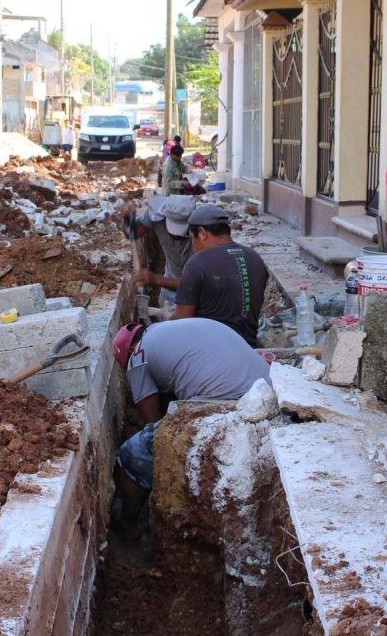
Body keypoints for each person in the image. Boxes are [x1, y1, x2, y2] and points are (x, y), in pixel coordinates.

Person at [111, 318, 270, 539]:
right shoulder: (170, 329)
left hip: (229, 406)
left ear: (129, 350)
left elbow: (151, 421)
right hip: (267, 391)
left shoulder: (136, 357)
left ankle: (128, 524)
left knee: (135, 451)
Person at [169, 204, 268, 347]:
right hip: (248, 349)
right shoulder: (255, 258)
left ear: (202, 233)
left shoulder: (197, 264)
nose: (193, 245)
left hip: (209, 352)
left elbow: (181, 323)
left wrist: (166, 317)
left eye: (192, 238)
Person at [122, 196, 195, 308]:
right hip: (170, 280)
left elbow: (195, 284)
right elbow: (132, 233)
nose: (175, 235)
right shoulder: (155, 216)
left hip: (196, 288)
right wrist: (127, 218)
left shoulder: (203, 230)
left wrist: (155, 279)